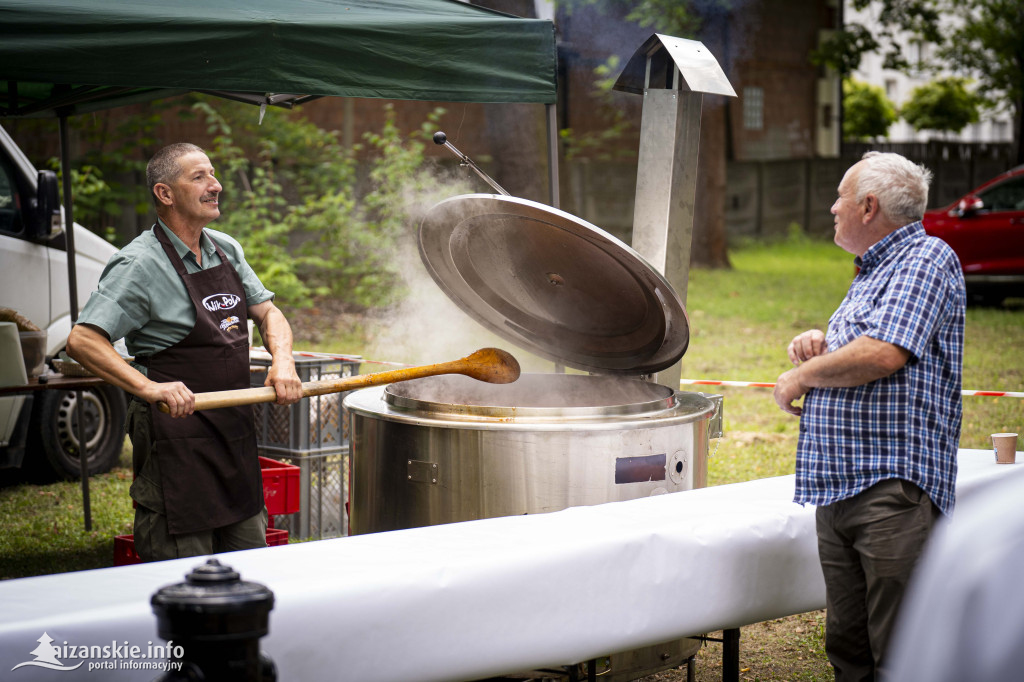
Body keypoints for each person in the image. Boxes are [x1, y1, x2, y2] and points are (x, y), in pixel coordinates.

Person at [773, 151, 966, 682]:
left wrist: (800, 378)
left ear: (868, 206)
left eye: (840, 196)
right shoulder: (873, 273)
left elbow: (884, 353)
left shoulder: (926, 258)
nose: (832, 207)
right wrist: (820, 342)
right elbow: (866, 343)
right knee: (849, 651)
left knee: (900, 653)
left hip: (889, 491)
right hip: (840, 486)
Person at [67, 143, 302, 562]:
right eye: (199, 177)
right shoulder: (138, 265)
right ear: (165, 193)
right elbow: (83, 340)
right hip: (175, 433)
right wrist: (149, 388)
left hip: (232, 428)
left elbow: (269, 313)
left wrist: (283, 362)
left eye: (213, 174)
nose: (216, 185)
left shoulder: (225, 249)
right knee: (183, 567)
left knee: (250, 560)